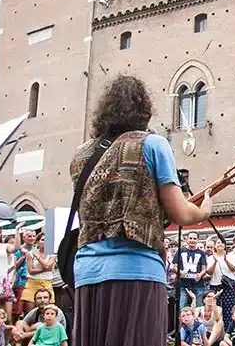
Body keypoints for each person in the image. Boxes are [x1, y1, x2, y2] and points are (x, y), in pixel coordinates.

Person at [70, 75, 213, 346]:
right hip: (136, 270)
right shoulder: (152, 144)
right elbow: (181, 213)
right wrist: (204, 210)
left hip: (87, 272)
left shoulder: (81, 155)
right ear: (143, 110)